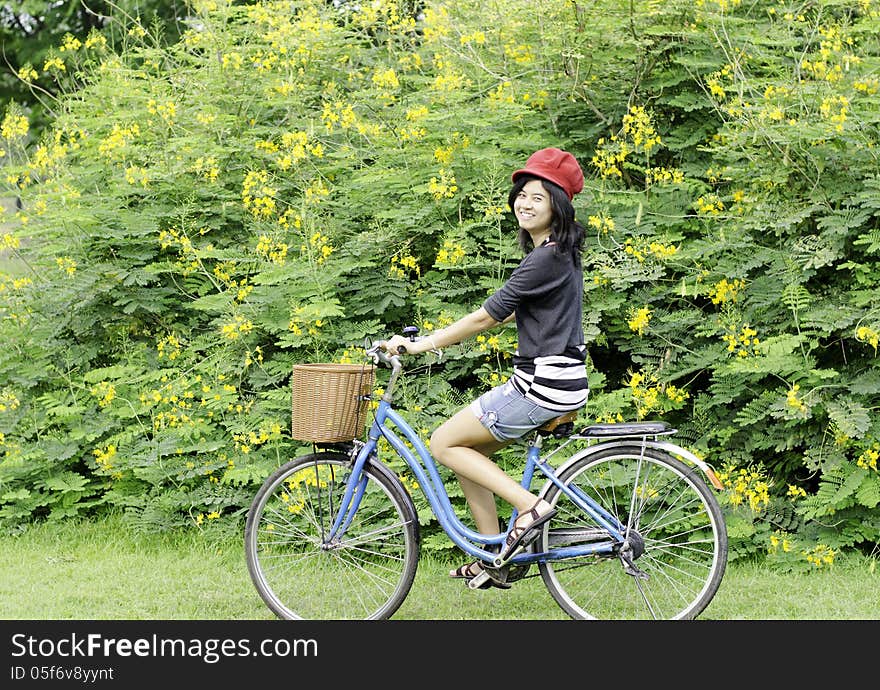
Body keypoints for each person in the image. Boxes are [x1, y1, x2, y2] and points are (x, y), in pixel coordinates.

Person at [383, 147, 588, 588]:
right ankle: (498, 555)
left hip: (541, 383)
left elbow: (485, 316)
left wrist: (421, 345)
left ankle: (529, 507)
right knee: (467, 454)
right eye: (521, 195)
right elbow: (516, 311)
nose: (525, 203)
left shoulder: (545, 257)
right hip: (561, 380)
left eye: (537, 197)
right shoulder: (559, 255)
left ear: (558, 205)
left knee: (442, 442)